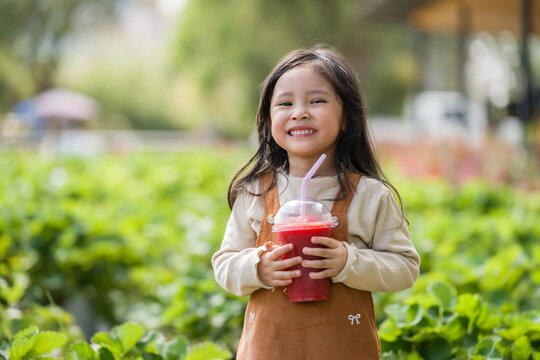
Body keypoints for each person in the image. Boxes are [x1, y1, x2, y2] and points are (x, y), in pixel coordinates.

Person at [212, 45, 420, 359]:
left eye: (317, 100)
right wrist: (258, 267)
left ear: (347, 118)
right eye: (285, 103)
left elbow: (406, 267)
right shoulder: (254, 192)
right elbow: (224, 264)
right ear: (269, 121)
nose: (299, 112)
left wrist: (350, 263)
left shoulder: (371, 196)